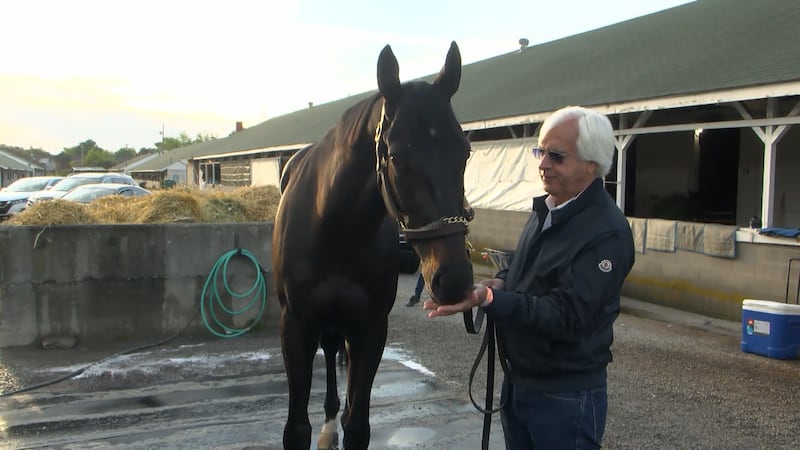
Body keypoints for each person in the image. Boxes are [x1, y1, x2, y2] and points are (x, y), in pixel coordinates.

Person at [424, 106, 634, 449]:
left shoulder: (606, 233)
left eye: (557, 156)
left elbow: (568, 316)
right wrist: (502, 282)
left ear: (591, 165)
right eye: (541, 151)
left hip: (566, 395)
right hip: (520, 382)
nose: (543, 163)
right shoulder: (546, 211)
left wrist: (490, 300)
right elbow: (524, 268)